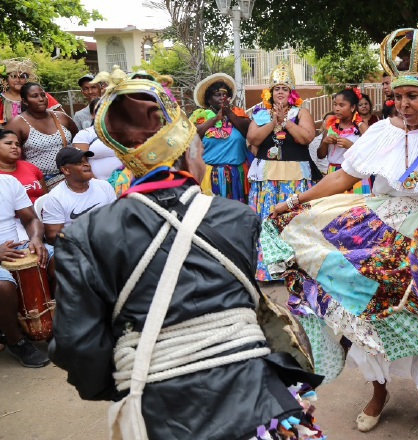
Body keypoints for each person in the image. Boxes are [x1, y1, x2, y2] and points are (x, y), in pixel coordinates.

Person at [262, 14, 418, 440]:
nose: (403, 104)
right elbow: (343, 178)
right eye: (397, 96)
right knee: (368, 316)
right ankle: (379, 391)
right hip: (380, 230)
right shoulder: (379, 133)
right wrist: (295, 201)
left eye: (413, 96)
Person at [48, 72, 325, 439]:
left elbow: (77, 347)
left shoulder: (84, 234)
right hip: (257, 405)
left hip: (160, 413)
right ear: (190, 152)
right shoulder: (238, 218)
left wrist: (140, 376)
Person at [247, 61, 319, 281]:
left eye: (284, 88)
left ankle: (296, 269)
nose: (280, 92)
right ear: (270, 92)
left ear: (291, 92)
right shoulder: (260, 113)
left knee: (293, 222)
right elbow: (253, 139)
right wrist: (273, 121)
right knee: (267, 220)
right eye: (276, 88)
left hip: (294, 177)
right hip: (267, 177)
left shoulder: (300, 112)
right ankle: (267, 270)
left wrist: (285, 122)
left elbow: (306, 137)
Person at [0, 174, 51, 368]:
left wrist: (36, 240)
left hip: (18, 248)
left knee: (61, 261)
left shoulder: (8, 182)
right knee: (3, 286)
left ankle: (56, 326)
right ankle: (15, 340)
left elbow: (31, 220)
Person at [189, 73, 252, 202]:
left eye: (224, 94)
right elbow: (193, 136)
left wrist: (229, 113)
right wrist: (215, 119)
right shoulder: (200, 116)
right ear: (208, 99)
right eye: (217, 95)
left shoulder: (238, 113)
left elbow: (249, 133)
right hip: (209, 176)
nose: (222, 97)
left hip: (236, 175)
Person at [5, 82, 77, 188]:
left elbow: (79, 141)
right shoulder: (17, 123)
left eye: (43, 95)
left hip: (70, 176)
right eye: (35, 96)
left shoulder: (61, 117)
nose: (41, 99)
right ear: (25, 101)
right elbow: (9, 155)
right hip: (40, 182)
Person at [42, 147, 116, 243]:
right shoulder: (55, 198)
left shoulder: (104, 186)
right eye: (79, 162)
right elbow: (53, 237)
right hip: (78, 246)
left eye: (86, 161)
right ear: (65, 170)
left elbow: (116, 217)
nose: (86, 164)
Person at [71, 97, 131, 196]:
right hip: (96, 186)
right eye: (99, 110)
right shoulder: (85, 134)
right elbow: (80, 163)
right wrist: (99, 185)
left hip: (127, 183)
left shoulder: (127, 132)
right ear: (93, 115)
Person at [318, 88, 370, 193]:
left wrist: (351, 146)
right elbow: (320, 155)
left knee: (356, 207)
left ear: (352, 107)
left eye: (341, 105)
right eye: (335, 104)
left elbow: (370, 151)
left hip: (354, 173)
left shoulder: (360, 127)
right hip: (333, 172)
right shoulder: (331, 126)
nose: (337, 108)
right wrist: (325, 142)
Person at [0, 58, 62, 128]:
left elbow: (62, 117)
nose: (18, 80)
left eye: (22, 77)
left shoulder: (42, 96)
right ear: (6, 79)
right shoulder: (1, 100)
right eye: (14, 76)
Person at [0, 129, 46, 203]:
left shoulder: (30, 167)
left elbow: (45, 197)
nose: (15, 147)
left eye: (17, 144)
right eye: (8, 143)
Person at [308, 111, 334, 176]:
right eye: (326, 121)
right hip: (323, 176)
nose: (329, 123)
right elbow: (313, 162)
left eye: (332, 121)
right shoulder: (315, 141)